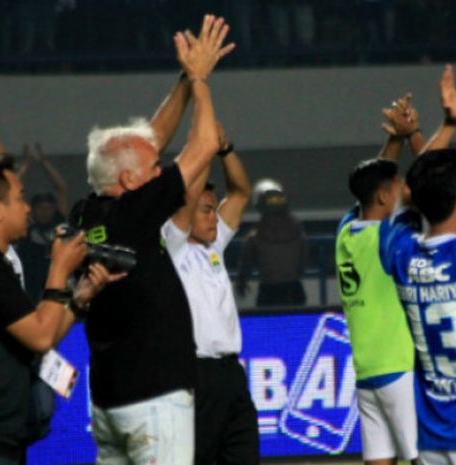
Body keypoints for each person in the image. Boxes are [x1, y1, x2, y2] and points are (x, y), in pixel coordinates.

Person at [68, 14, 234, 464]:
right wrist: (199, 81)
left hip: (109, 400)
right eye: (151, 171)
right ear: (127, 180)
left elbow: (148, 143)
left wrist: (182, 78)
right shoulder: (136, 212)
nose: (158, 171)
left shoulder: (87, 211)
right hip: (154, 400)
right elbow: (200, 149)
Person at [0, 155, 123, 465]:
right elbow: (41, 337)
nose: (27, 208)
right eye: (20, 198)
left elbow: (38, 330)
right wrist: (58, 268)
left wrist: (79, 298)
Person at [379, 67, 456, 465]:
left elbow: (412, 192)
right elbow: (419, 189)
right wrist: (448, 123)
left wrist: (439, 131)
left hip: (432, 442)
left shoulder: (401, 254)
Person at [160, 123, 259, 464]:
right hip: (194, 374)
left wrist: (225, 150)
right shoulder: (170, 248)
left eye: (215, 209)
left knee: (244, 457)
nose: (215, 217)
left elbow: (242, 192)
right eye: (206, 210)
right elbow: (185, 197)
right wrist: (201, 149)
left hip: (232, 372)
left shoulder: (213, 245)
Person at [335, 92, 421, 464]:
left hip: (367, 371)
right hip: (398, 368)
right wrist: (413, 135)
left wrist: (395, 141)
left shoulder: (346, 231)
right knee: (424, 457)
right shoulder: (387, 237)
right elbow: (437, 185)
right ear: (386, 198)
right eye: (400, 188)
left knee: (378, 460)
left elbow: (375, 186)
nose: (405, 192)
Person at [236, 178, 307, 306]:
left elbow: (245, 266)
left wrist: (241, 283)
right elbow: (303, 261)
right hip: (293, 289)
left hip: (270, 291)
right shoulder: (298, 231)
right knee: (296, 325)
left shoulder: (254, 237)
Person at [17, 142, 70, 302]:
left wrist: (44, 162)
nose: (45, 212)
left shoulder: (59, 221)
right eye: (40, 208)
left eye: (48, 208)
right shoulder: (26, 224)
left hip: (56, 282)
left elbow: (62, 189)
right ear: (32, 209)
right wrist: (25, 165)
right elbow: (12, 191)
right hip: (30, 285)